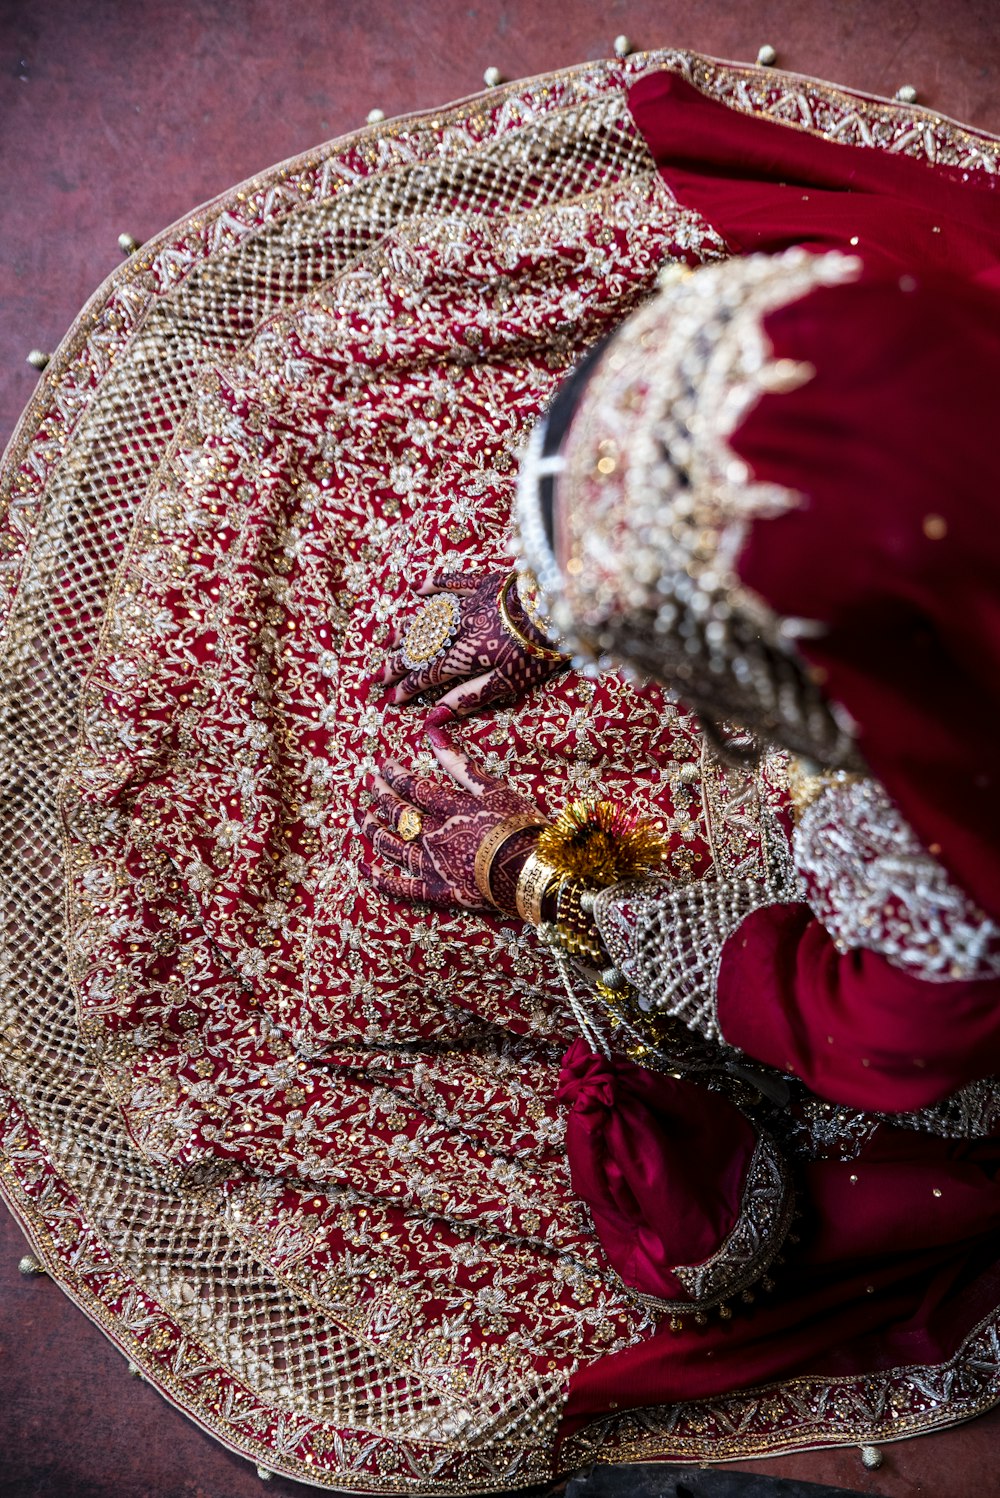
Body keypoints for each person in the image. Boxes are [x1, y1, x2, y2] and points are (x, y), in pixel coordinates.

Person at [8, 48, 1000, 1492]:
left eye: (684, 647)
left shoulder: (958, 906)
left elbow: (886, 1034)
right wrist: (567, 586)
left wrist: (553, 883)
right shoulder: (943, 388)